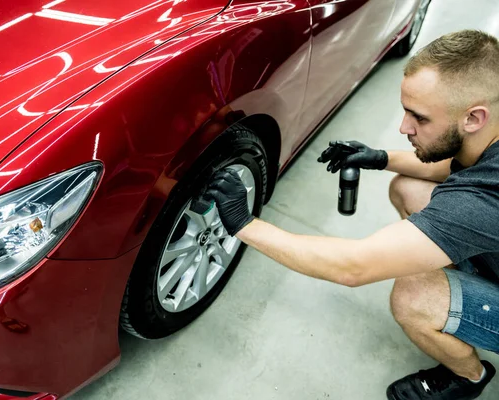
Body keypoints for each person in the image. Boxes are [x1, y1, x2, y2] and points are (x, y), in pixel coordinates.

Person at [204, 30, 499, 400]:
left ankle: (469, 377)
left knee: (414, 295)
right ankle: (462, 287)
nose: (403, 127)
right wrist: (380, 158)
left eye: (419, 119)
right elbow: (457, 166)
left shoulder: (485, 200)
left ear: (474, 118)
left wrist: (245, 224)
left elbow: (353, 267)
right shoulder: (489, 133)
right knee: (406, 187)